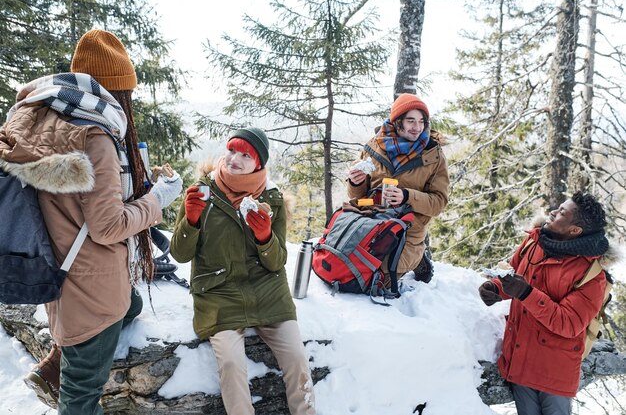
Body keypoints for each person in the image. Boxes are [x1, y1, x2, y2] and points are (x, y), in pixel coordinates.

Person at [0, 30, 182, 413]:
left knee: (130, 306)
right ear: (119, 91)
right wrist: (159, 198)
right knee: (81, 399)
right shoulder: (95, 135)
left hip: (53, 264)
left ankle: (54, 364)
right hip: (91, 286)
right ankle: (62, 366)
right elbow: (108, 227)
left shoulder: (37, 115)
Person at [170, 127, 316, 415]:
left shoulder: (272, 199)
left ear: (259, 164)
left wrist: (265, 237)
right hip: (218, 294)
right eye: (232, 150)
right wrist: (191, 220)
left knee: (298, 359)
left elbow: (277, 262)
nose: (234, 159)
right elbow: (180, 253)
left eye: (245, 155)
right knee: (231, 364)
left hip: (267, 292)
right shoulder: (203, 191)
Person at [478, 192, 612, 415]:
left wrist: (526, 293)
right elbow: (514, 274)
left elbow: (569, 323)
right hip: (520, 361)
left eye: (561, 213)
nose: (552, 212)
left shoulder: (591, 275)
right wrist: (496, 288)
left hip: (554, 374)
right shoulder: (534, 241)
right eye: (558, 207)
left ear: (575, 230)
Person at [347, 93, 449, 283]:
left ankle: (418, 258)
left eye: (421, 121)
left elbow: (439, 203)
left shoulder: (434, 156)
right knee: (348, 268)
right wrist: (356, 182)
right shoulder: (373, 146)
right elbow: (357, 196)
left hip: (408, 227)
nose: (417, 127)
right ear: (397, 121)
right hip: (373, 220)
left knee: (378, 281)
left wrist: (406, 196)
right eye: (410, 121)